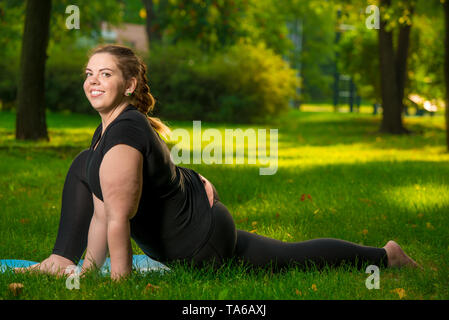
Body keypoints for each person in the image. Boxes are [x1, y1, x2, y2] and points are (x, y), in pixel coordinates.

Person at [17, 44, 420, 280]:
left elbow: (118, 218)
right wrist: (88, 269)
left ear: (130, 84)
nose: (93, 81)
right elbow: (102, 213)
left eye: (105, 74)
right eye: (90, 73)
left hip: (198, 242)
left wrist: (118, 283)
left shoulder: (125, 131)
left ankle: (383, 257)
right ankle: (385, 256)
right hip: (201, 226)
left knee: (284, 258)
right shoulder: (109, 129)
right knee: (289, 256)